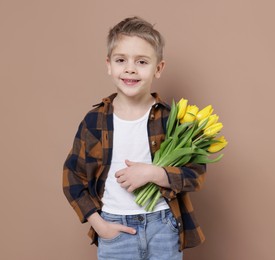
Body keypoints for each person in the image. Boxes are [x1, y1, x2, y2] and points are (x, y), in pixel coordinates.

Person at [62, 16, 206, 260]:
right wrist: (99, 225)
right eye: (121, 60)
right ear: (109, 65)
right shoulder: (94, 121)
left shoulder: (172, 119)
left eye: (141, 61)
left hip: (163, 226)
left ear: (158, 68)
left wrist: (154, 173)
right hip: (115, 228)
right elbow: (72, 177)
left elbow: (196, 173)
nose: (130, 68)